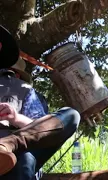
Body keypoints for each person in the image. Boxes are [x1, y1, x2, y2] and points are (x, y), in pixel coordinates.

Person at [0, 25, 81, 179]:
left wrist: (15, 118)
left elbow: (43, 131)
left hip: (13, 157)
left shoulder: (22, 89)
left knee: (71, 115)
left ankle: (7, 144)